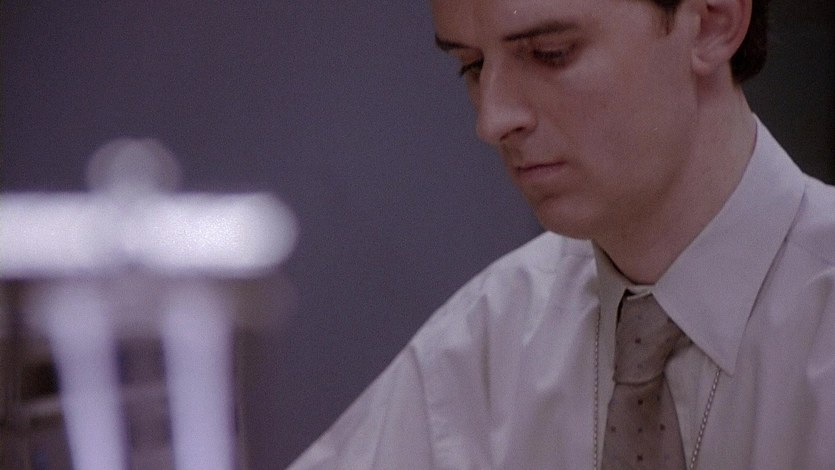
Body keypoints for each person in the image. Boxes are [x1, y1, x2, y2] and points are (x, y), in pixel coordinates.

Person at [288, 0, 835, 468]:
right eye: (472, 66)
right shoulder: (485, 343)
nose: (492, 120)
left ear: (713, 21)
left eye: (551, 53)